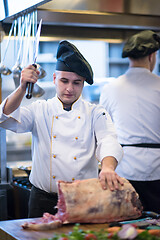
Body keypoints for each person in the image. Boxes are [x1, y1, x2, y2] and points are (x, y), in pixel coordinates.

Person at [0, 40, 123, 218]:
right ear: (54, 78)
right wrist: (22, 88)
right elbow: (3, 117)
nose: (69, 89)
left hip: (83, 199)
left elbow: (108, 141)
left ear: (82, 84)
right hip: (41, 200)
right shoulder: (40, 109)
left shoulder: (95, 112)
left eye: (77, 83)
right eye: (64, 81)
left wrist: (108, 168)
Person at [99, 30, 160, 213]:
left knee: (126, 224)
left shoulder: (110, 89)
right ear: (152, 56)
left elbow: (104, 131)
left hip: (122, 171)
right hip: (157, 170)